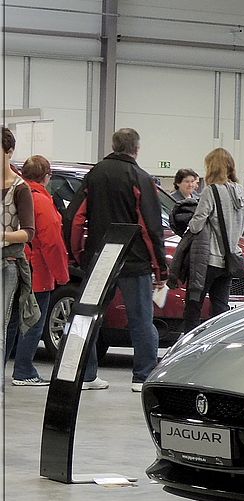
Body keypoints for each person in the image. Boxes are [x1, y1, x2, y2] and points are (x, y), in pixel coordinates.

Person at [71, 127, 168, 392]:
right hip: (134, 261)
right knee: (141, 320)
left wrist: (81, 255)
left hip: (100, 259)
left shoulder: (94, 175)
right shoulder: (141, 178)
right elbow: (151, 228)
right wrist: (160, 270)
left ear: (114, 146)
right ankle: (142, 376)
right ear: (136, 148)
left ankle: (87, 375)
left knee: (89, 317)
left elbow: (75, 219)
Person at [9, 156, 70, 386]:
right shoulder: (41, 202)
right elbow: (52, 243)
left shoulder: (15, 194)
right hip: (36, 273)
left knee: (11, 323)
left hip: (14, 266)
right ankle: (24, 370)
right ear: (46, 177)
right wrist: (62, 275)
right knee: (33, 321)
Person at [178, 148, 244, 332]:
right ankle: (217, 342)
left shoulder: (211, 191)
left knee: (194, 305)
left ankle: (190, 343)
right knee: (220, 308)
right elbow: (242, 226)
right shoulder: (242, 192)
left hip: (209, 260)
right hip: (231, 259)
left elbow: (196, 225)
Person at [2, 127, 38, 372]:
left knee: (3, 326)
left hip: (8, 263)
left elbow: (28, 232)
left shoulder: (20, 188)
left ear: (10, 152)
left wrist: (3, 235)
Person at [168, 168, 200, 236]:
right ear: (178, 183)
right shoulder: (170, 199)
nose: (190, 185)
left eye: (192, 181)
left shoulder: (199, 199)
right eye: (187, 181)